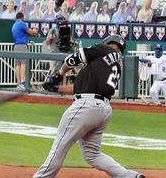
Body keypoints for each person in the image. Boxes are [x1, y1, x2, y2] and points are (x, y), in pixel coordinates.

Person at [33, 34, 144, 178]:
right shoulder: (118, 62)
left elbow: (72, 59)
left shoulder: (103, 49)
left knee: (59, 147)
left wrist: (59, 74)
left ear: (107, 42)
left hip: (86, 106)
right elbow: (82, 87)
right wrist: (56, 88)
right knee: (93, 154)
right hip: (102, 110)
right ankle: (130, 176)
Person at [12, 11, 39, 90]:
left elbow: (20, 36)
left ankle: (18, 83)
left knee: (17, 65)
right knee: (23, 64)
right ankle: (23, 83)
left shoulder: (14, 25)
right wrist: (36, 32)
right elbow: (31, 32)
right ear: (22, 17)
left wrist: (28, 42)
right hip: (22, 47)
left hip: (16, 46)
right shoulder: (22, 24)